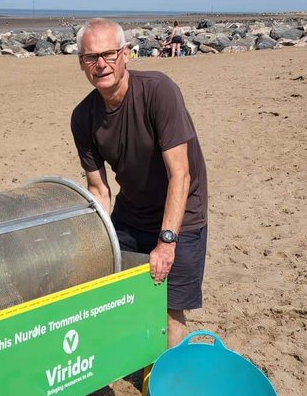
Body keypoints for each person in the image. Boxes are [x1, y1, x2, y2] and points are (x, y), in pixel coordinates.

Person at [70, 18, 208, 348]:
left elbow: (181, 174)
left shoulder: (159, 91)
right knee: (115, 294)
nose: (101, 64)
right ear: (81, 64)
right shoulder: (83, 117)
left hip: (183, 215)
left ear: (126, 55)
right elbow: (99, 190)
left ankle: (173, 381)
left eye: (109, 54)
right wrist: (95, 242)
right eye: (91, 57)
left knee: (168, 309)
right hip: (131, 216)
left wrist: (167, 241)